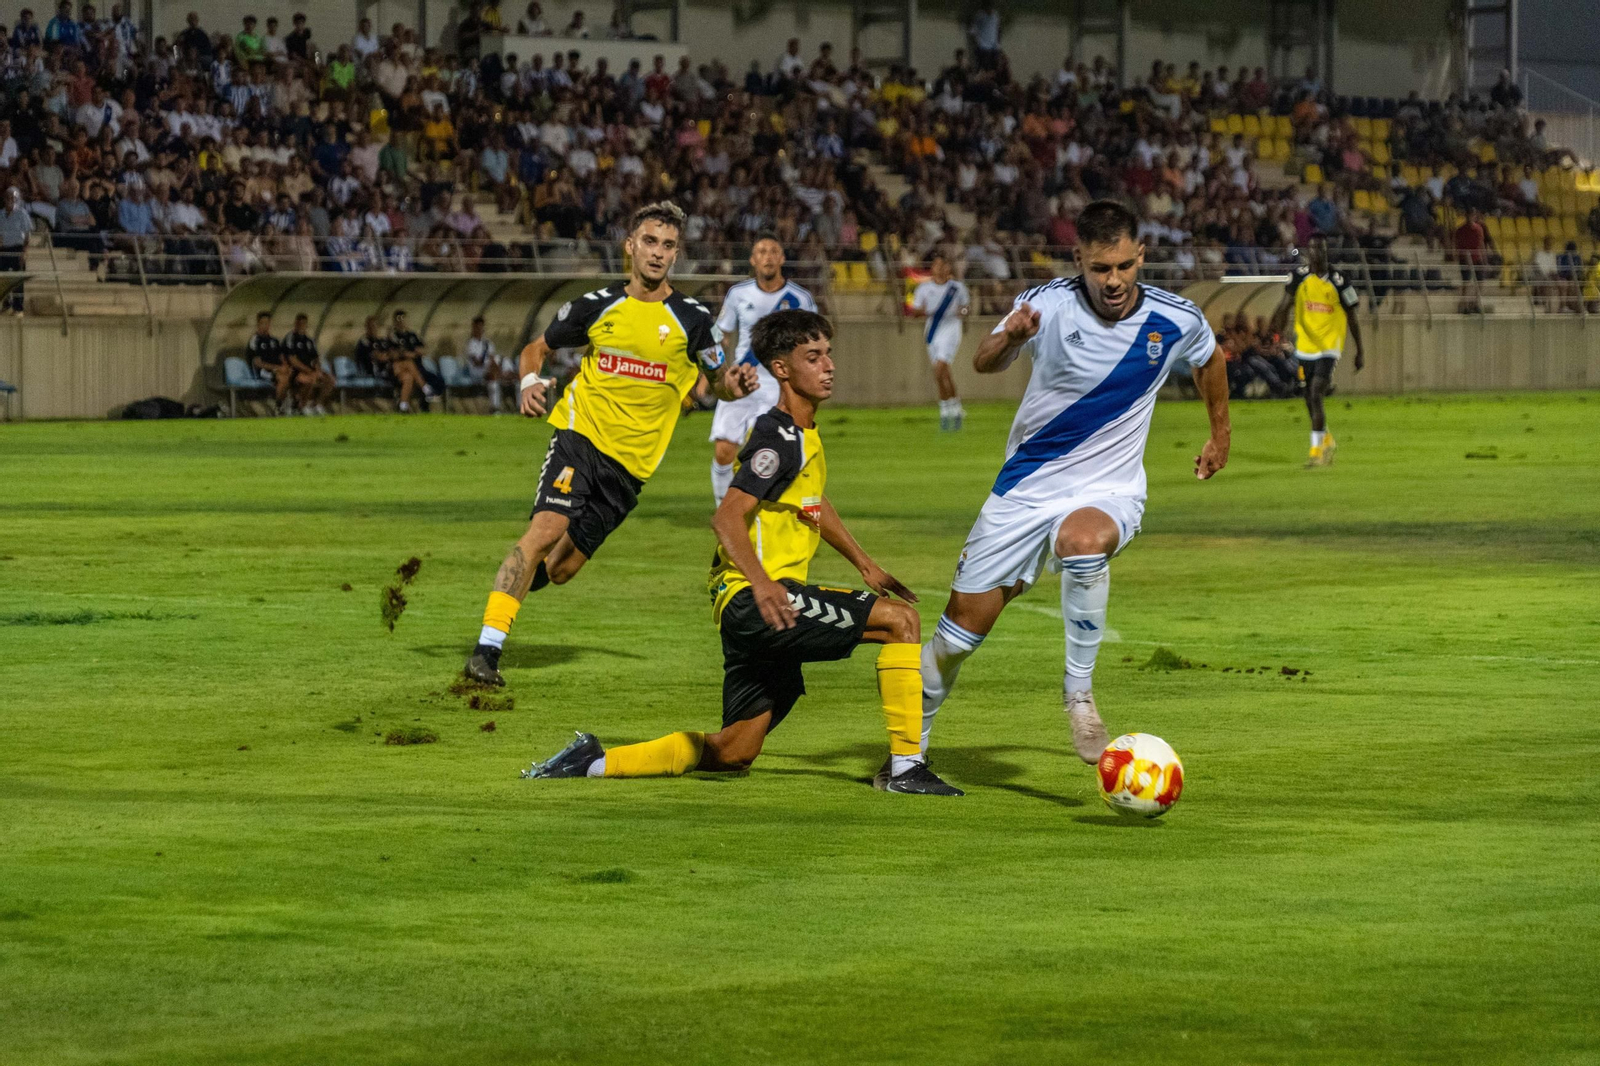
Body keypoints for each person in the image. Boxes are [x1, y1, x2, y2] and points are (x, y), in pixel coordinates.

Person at [521, 310, 961, 796]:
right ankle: (905, 770)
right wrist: (763, 583)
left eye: (828, 354)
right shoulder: (778, 437)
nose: (828, 365)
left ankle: (593, 763)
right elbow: (727, 517)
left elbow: (810, 503)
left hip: (752, 605)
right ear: (782, 369)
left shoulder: (803, 434)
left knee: (733, 751)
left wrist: (864, 563)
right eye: (813, 357)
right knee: (901, 623)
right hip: (759, 600)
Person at [915, 201, 1232, 783]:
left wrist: (1220, 434)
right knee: (957, 638)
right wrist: (1010, 336)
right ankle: (907, 753)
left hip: (1109, 490)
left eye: (1122, 267)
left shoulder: (1175, 317)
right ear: (1078, 261)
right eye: (1098, 269)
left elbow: (1211, 361)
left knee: (1084, 543)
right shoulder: (1046, 304)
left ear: (1141, 255)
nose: (1112, 281)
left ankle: (1079, 694)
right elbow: (983, 362)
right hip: (1024, 490)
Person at [463, 202, 758, 687]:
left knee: (560, 570)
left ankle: (521, 576)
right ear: (630, 246)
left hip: (631, 468)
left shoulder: (692, 318)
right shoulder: (596, 305)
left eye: (668, 246)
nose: (658, 253)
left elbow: (717, 380)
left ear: (676, 254)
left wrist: (736, 385)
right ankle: (486, 653)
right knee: (545, 528)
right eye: (650, 242)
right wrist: (530, 381)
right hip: (580, 436)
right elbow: (535, 348)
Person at [708, 233, 817, 504]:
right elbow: (722, 335)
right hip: (742, 380)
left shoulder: (800, 298)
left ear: (781, 258)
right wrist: (714, 373)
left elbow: (814, 340)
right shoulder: (737, 294)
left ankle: (769, 507)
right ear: (753, 260)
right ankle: (723, 509)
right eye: (761, 252)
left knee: (771, 453)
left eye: (772, 251)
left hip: (778, 386)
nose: (767, 256)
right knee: (724, 450)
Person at [1269, 235, 1364, 467]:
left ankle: (1316, 453)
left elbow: (1352, 316)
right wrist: (1276, 334)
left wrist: (1360, 350)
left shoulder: (1339, 280)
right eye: (1313, 249)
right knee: (1307, 398)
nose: (1317, 254)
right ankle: (1327, 440)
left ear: (1326, 252)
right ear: (1308, 252)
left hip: (1329, 346)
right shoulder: (1299, 277)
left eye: (1321, 249)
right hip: (1305, 346)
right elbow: (1284, 306)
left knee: (1315, 393)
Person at [906, 253, 970, 431]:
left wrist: (963, 312)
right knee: (944, 374)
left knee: (939, 369)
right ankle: (956, 408)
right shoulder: (924, 289)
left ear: (948, 268)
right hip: (933, 331)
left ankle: (944, 412)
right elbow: (915, 311)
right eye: (937, 265)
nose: (940, 269)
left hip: (951, 330)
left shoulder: (957, 288)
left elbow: (965, 307)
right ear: (932, 268)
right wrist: (924, 311)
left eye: (943, 265)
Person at [389, 309, 440, 412]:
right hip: (398, 369)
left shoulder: (412, 335)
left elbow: (423, 349)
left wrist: (413, 353)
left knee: (410, 377)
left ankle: (404, 407)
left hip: (417, 369)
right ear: (394, 322)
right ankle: (425, 389)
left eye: (403, 319)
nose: (401, 322)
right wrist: (410, 354)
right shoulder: (392, 337)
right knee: (408, 363)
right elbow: (394, 354)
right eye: (398, 320)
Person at [282, 312, 334, 415]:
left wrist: (318, 369)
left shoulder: (309, 340)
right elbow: (292, 360)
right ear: (295, 324)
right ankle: (302, 405)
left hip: (311, 370)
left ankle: (317, 404)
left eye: (304, 323)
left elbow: (316, 358)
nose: (301, 325)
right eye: (299, 323)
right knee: (310, 380)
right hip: (296, 371)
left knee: (330, 380)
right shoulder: (290, 338)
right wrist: (309, 371)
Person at [464, 314, 516, 412]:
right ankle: (503, 376)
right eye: (477, 327)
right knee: (494, 374)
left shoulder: (488, 343)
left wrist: (496, 369)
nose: (479, 329)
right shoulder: (471, 344)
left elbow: (492, 359)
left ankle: (496, 408)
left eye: (481, 327)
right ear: (473, 327)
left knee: (502, 366)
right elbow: (477, 363)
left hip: (489, 371)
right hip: (476, 372)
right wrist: (491, 366)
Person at [247, 310, 296, 413]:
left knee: (292, 375)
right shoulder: (255, 340)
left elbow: (282, 358)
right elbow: (257, 363)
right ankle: (278, 407)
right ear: (258, 324)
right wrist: (278, 368)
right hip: (262, 372)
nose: (265, 325)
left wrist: (286, 367)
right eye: (263, 323)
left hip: (277, 370)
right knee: (282, 378)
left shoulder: (274, 341)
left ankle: (293, 405)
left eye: (267, 323)